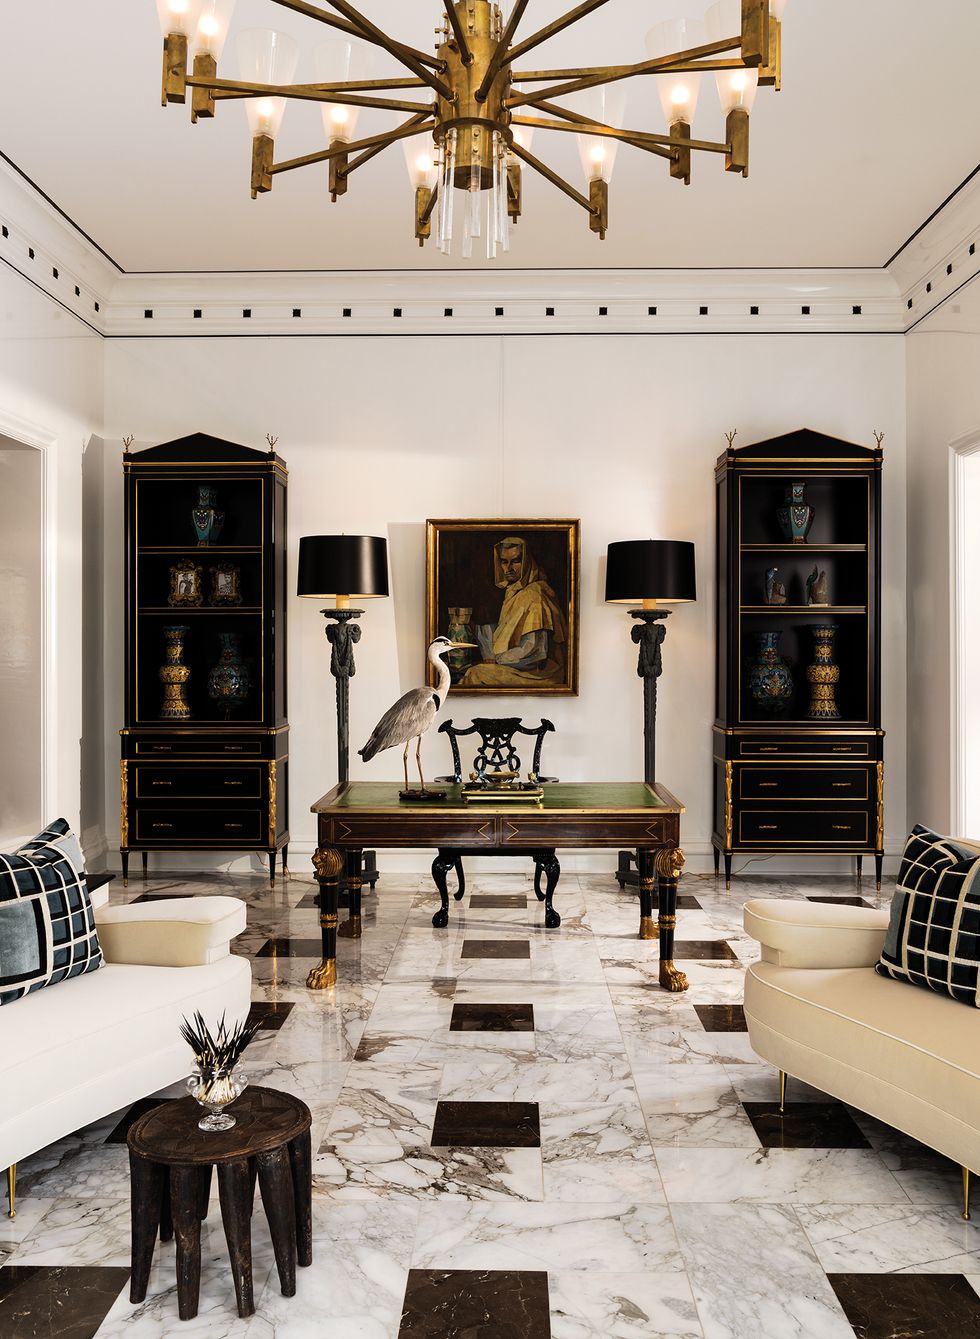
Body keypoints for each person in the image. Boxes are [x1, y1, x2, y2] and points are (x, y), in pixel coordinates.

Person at [460, 535, 567, 688]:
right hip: (521, 667)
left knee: (475, 674)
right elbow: (509, 630)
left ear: (526, 562)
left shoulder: (534, 594)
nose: (508, 568)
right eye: (504, 562)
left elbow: (535, 650)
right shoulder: (515, 592)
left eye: (516, 561)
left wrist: (497, 659)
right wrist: (476, 630)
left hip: (540, 674)